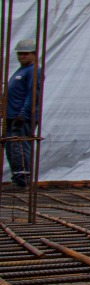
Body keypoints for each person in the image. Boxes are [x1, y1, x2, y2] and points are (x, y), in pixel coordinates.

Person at [5, 38, 40, 189]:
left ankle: (22, 180)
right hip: (12, 116)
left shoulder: (33, 71)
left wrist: (24, 114)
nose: (22, 57)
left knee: (19, 146)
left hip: (21, 117)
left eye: (26, 54)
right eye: (20, 54)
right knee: (11, 147)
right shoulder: (21, 70)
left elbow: (33, 95)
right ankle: (17, 178)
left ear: (34, 54)